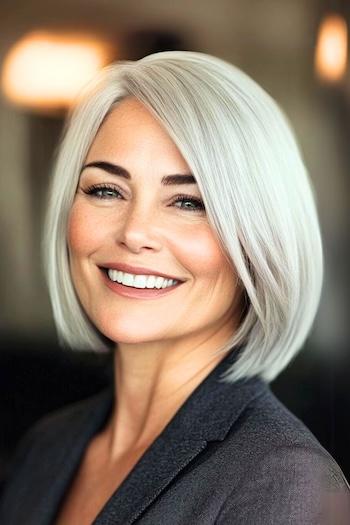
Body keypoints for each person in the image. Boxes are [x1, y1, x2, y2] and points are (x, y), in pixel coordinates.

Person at [0, 50, 349, 525]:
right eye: (106, 190)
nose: (134, 232)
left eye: (188, 201)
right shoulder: (46, 445)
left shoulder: (288, 482)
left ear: (260, 240)